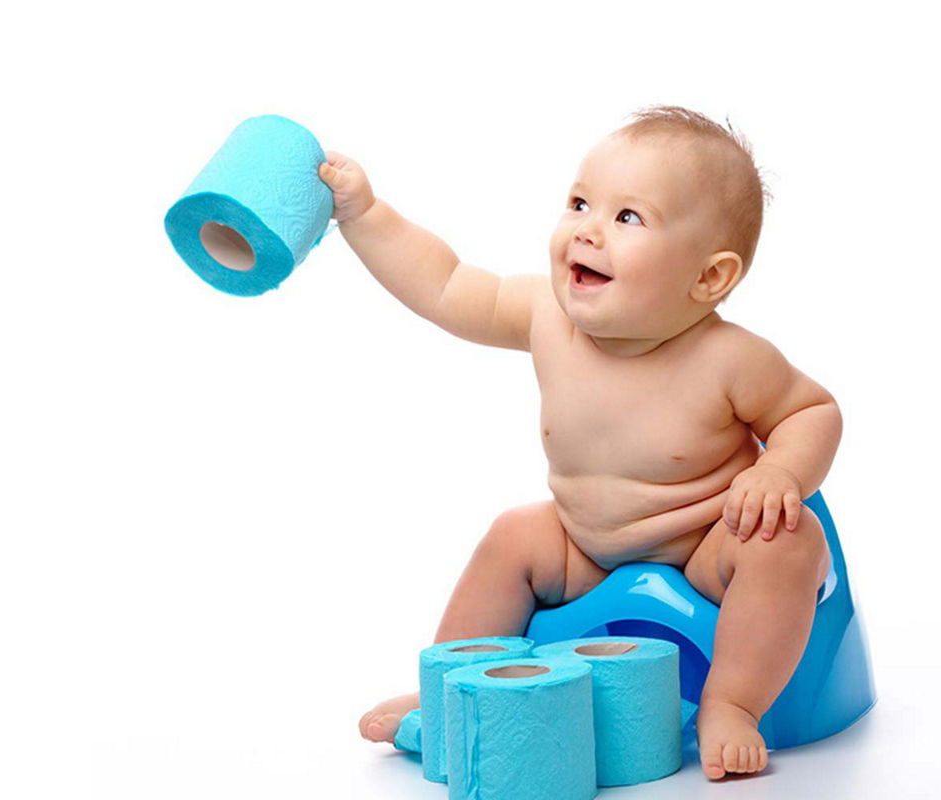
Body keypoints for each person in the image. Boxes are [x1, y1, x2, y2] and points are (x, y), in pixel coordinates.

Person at [318, 106, 840, 780]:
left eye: (628, 218)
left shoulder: (730, 359)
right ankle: (447, 686)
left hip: (708, 542)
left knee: (788, 543)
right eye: (580, 202)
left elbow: (813, 411)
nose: (587, 230)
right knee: (513, 535)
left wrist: (782, 476)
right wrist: (364, 215)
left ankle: (733, 702)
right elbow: (444, 286)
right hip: (583, 545)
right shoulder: (546, 316)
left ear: (709, 278)